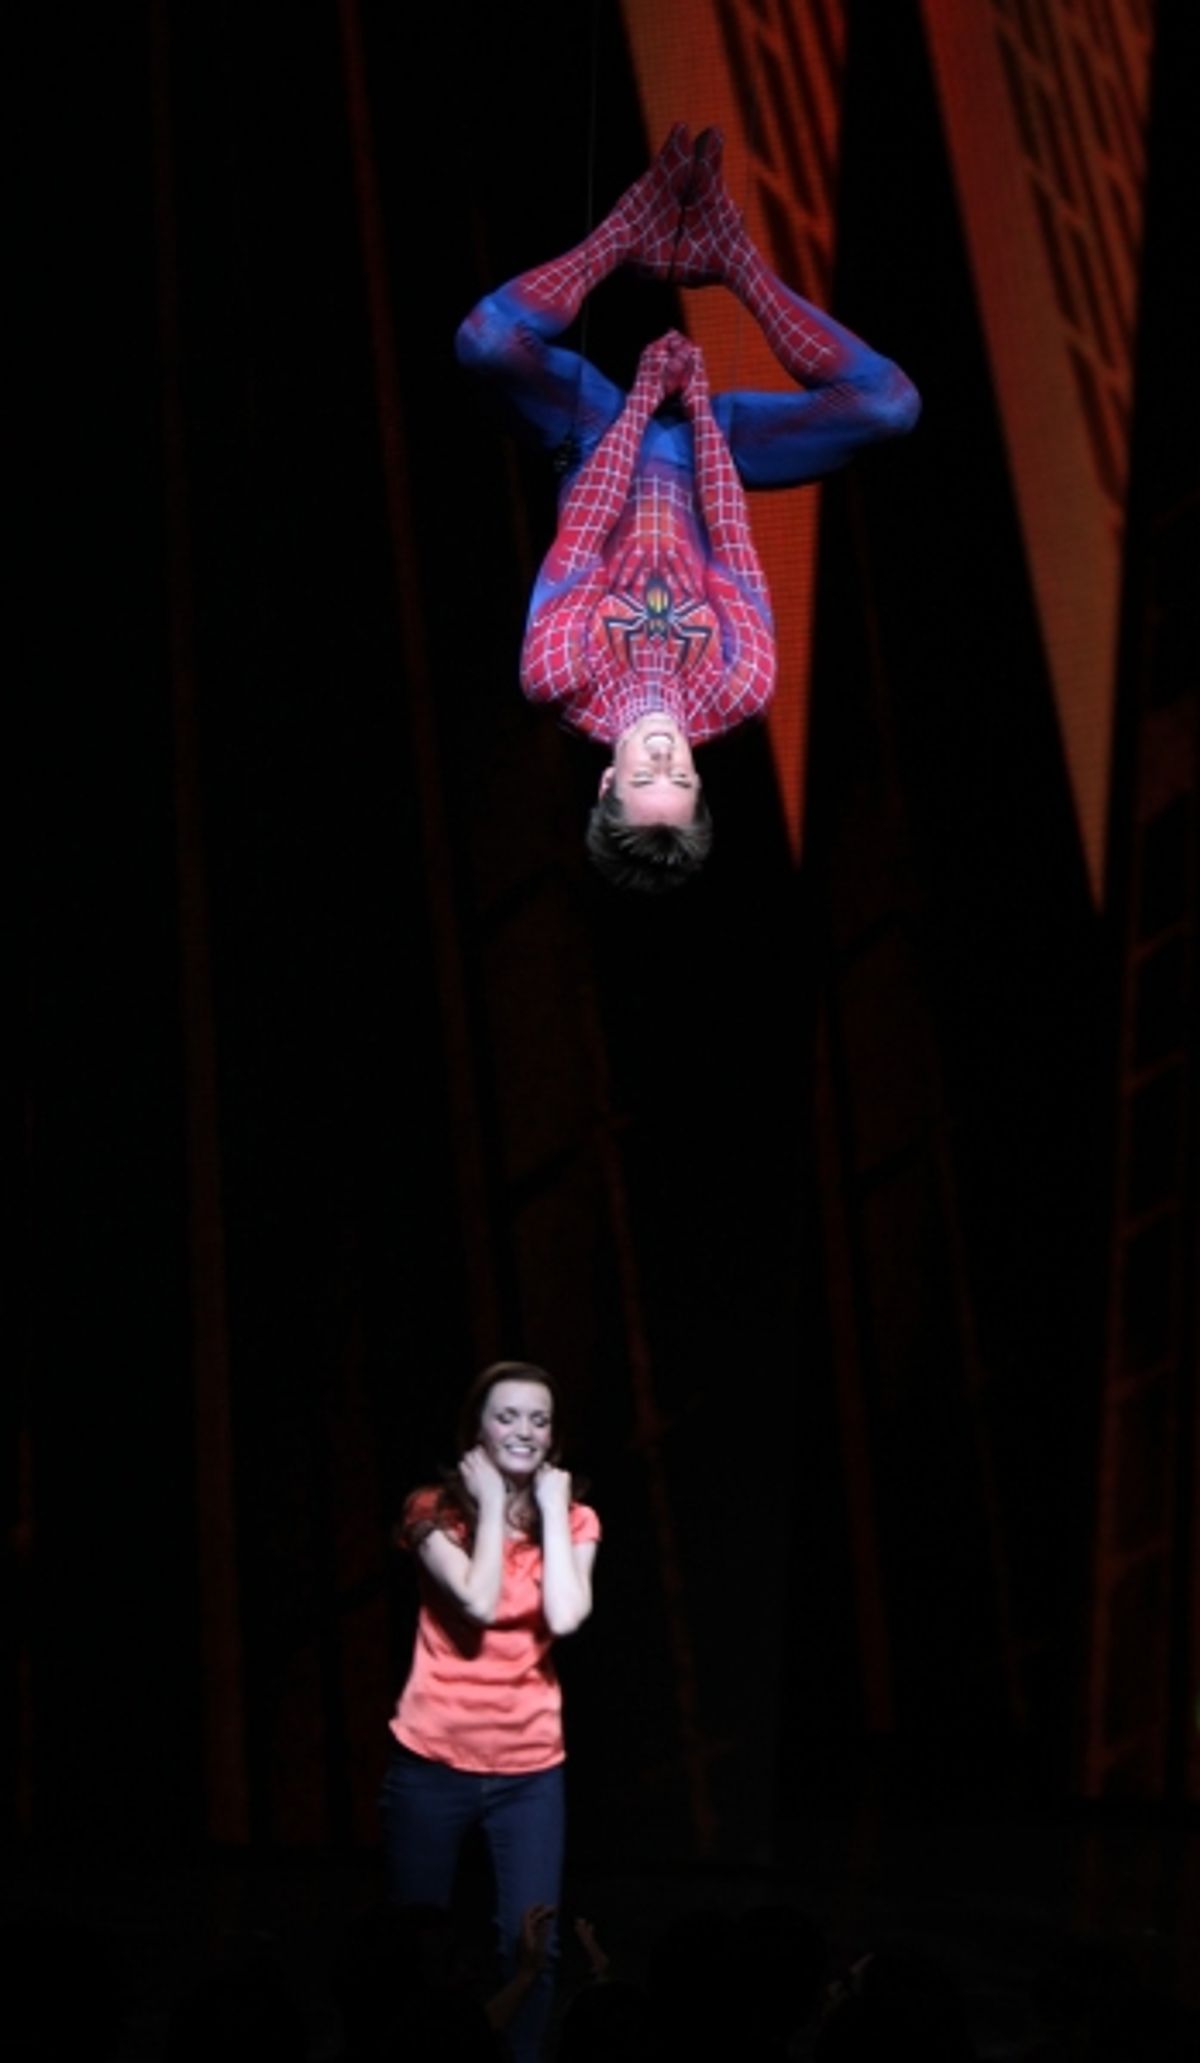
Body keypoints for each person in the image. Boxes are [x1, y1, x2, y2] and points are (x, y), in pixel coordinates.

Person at [456, 121, 921, 891]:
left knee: (484, 340)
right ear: (699, 783)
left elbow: (584, 530)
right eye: (680, 778)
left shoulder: (558, 678)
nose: (663, 757)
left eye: (645, 778)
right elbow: (733, 545)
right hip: (709, 461)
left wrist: (641, 400)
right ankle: (731, 255)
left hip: (594, 437)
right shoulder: (740, 687)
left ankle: (625, 230)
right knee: (891, 405)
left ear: (610, 781)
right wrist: (699, 407)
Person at [380, 1361, 600, 2063]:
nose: (523, 1430)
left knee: (533, 1941)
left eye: (539, 1419)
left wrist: (552, 1512)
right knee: (414, 1943)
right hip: (431, 1762)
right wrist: (489, 1503)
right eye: (507, 1416)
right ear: (476, 1428)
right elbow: (477, 1600)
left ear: (553, 1436)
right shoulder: (429, 1510)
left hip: (530, 1769)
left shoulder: (575, 1518)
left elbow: (564, 1615)